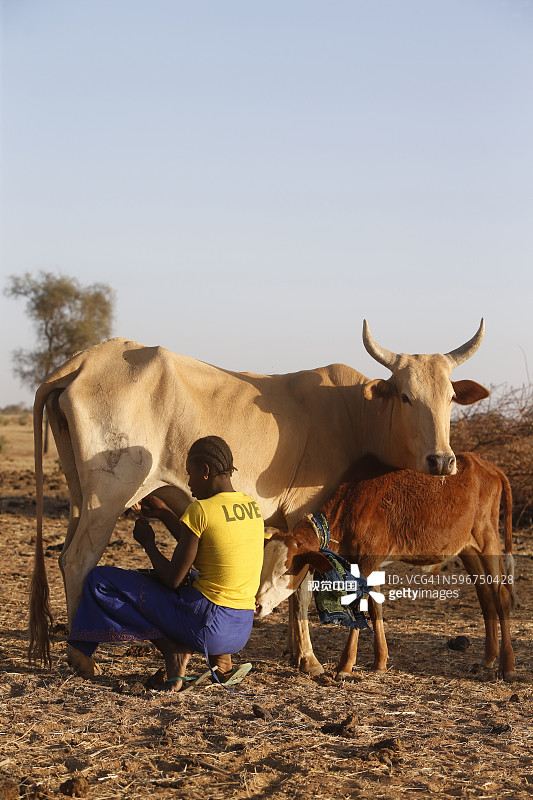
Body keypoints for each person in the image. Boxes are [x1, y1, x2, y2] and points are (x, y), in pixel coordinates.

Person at [67, 435, 265, 691]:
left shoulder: (201, 510)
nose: (189, 483)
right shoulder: (252, 507)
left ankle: (172, 648)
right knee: (203, 581)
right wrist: (163, 513)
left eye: (190, 474)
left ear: (205, 471)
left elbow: (172, 579)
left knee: (101, 581)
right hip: (240, 629)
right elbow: (207, 543)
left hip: (207, 626)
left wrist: (148, 543)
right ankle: (222, 661)